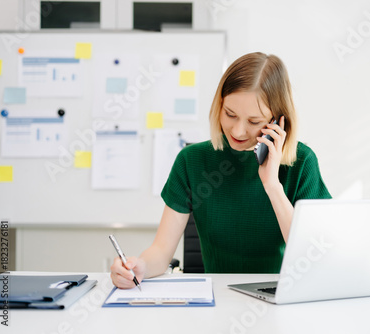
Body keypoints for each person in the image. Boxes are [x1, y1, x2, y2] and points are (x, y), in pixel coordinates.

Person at [111, 52, 331, 288]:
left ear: (278, 121)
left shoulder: (302, 163)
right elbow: (161, 251)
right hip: (217, 298)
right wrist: (139, 267)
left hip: (282, 295)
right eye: (230, 114)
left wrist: (272, 186)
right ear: (219, 105)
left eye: (254, 122)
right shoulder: (192, 160)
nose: (237, 131)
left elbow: (312, 256)